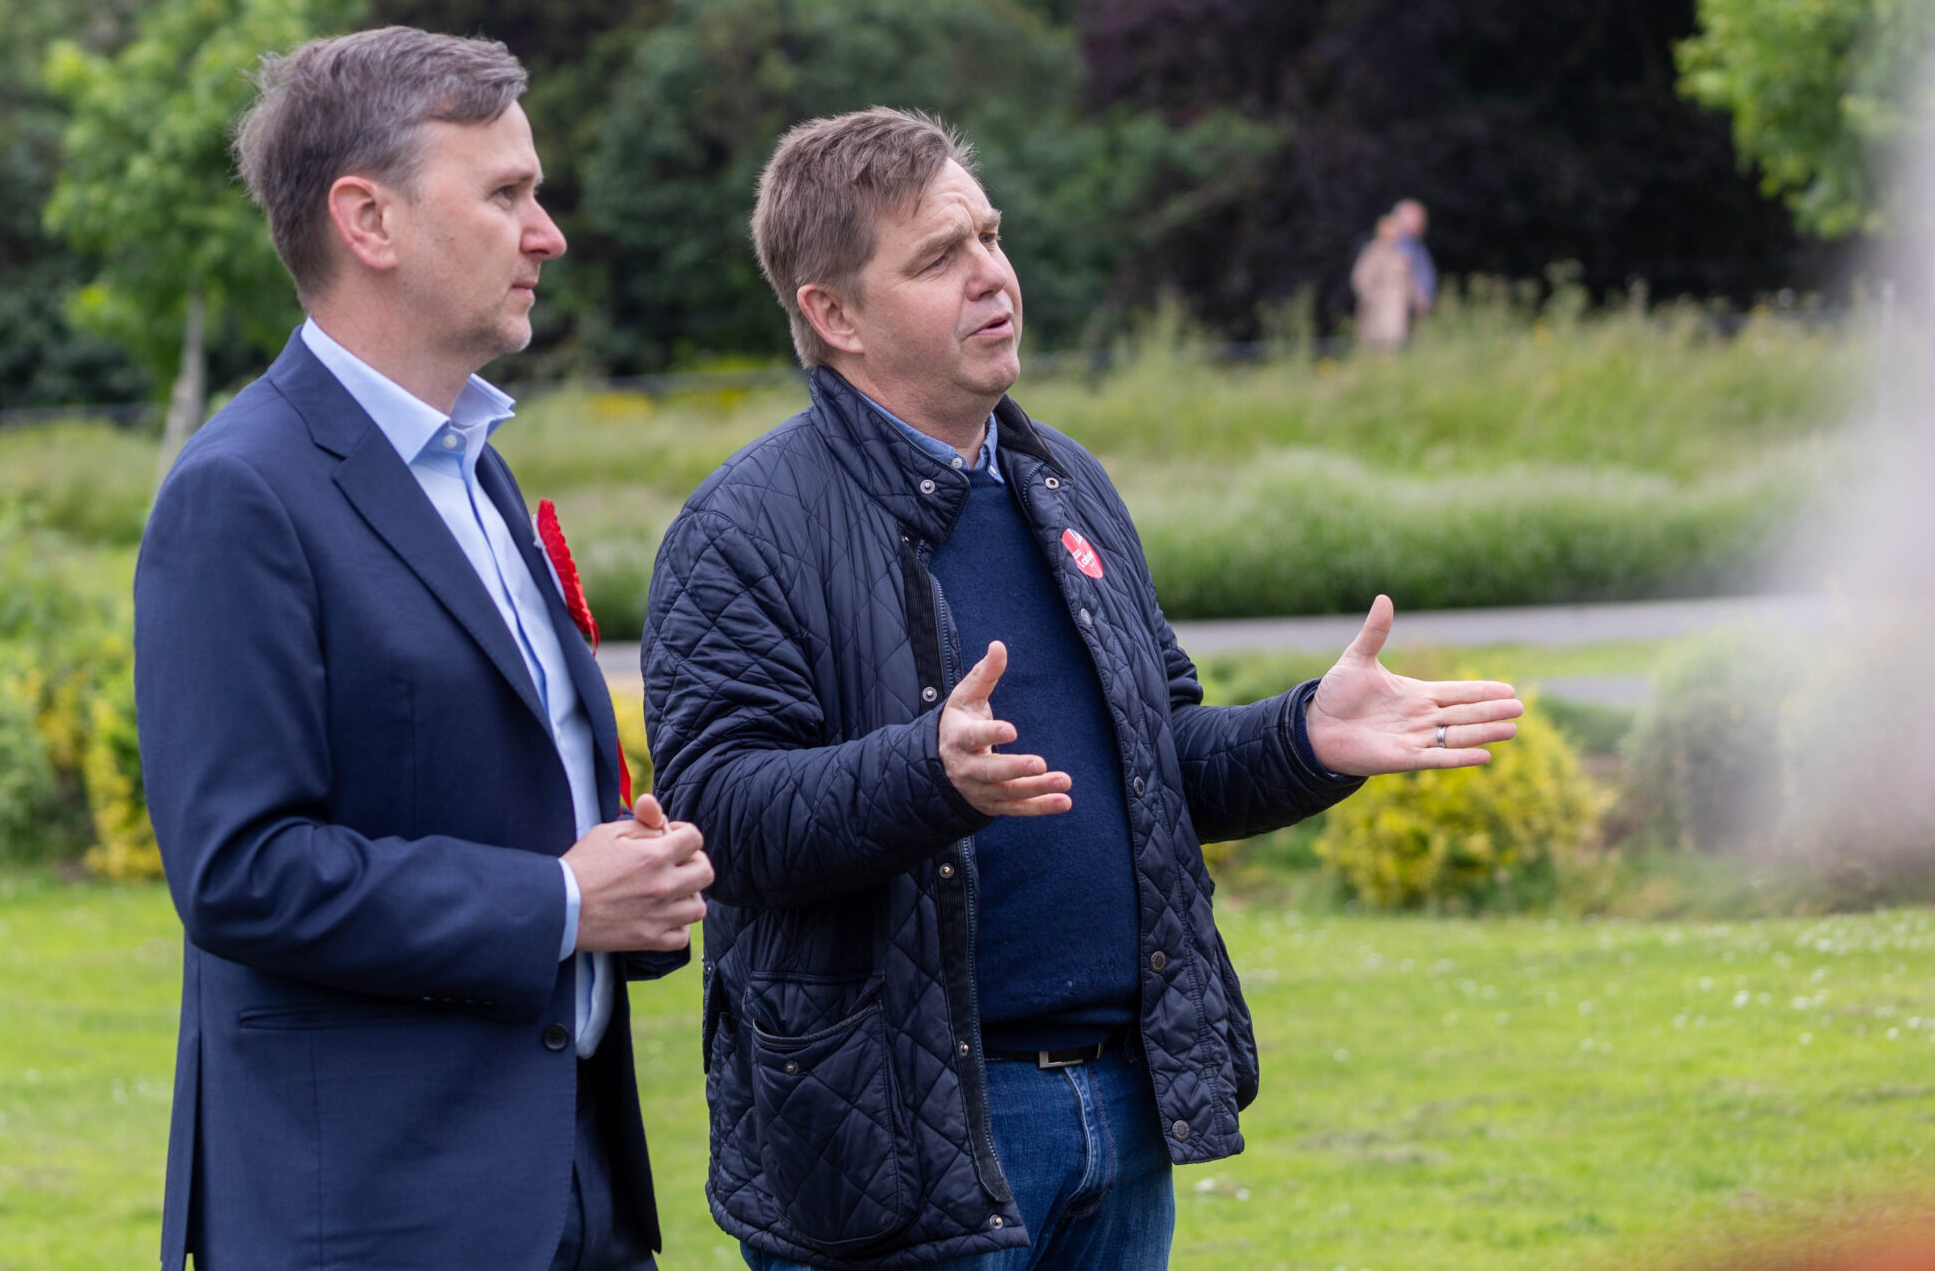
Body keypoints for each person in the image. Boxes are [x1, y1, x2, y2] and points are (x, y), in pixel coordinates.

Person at [641, 108, 1522, 1271]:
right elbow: (722, 821)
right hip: (902, 1139)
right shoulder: (742, 531)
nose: (992, 275)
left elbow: (1161, 768)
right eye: (937, 258)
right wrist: (927, 773)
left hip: (1120, 1111)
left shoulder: (1064, 482)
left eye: (989, 236)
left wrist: (1308, 735)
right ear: (833, 314)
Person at [134, 27, 713, 1271]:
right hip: (378, 1214)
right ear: (368, 220)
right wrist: (561, 900)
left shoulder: (478, 471)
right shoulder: (241, 492)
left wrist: (630, 885)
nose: (546, 231)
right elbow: (242, 870)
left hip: (568, 1186)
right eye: (506, 192)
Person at [1350, 211, 1417, 352]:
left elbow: (1407, 284)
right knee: (1375, 354)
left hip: (1396, 319)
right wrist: (1374, 300)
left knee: (1392, 354)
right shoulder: (1373, 253)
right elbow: (1360, 280)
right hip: (1376, 318)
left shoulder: (1398, 256)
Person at [1391, 197, 1437, 314]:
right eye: (1418, 218)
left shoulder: (1417, 245)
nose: (1422, 223)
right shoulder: (1394, 246)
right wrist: (1417, 295)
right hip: (1399, 311)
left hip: (1415, 311)